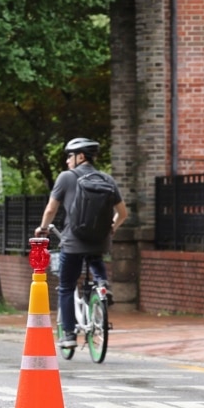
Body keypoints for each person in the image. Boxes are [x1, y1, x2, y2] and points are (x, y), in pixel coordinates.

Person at [34, 137, 128, 349]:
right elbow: (123, 213)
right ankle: (103, 285)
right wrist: (111, 228)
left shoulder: (66, 178)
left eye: (70, 156)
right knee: (95, 258)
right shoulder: (107, 179)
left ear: (81, 157)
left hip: (73, 242)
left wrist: (43, 229)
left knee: (66, 287)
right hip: (100, 241)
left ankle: (68, 335)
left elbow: (51, 209)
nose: (68, 160)